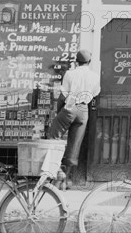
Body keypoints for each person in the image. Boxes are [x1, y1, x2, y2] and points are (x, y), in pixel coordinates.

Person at [48, 49, 100, 187]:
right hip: (84, 110)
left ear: (76, 62)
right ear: (89, 61)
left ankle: (57, 171)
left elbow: (63, 96)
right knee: (75, 145)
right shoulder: (95, 76)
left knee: (53, 138)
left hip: (70, 107)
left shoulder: (70, 74)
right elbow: (95, 94)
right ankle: (68, 179)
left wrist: (58, 112)